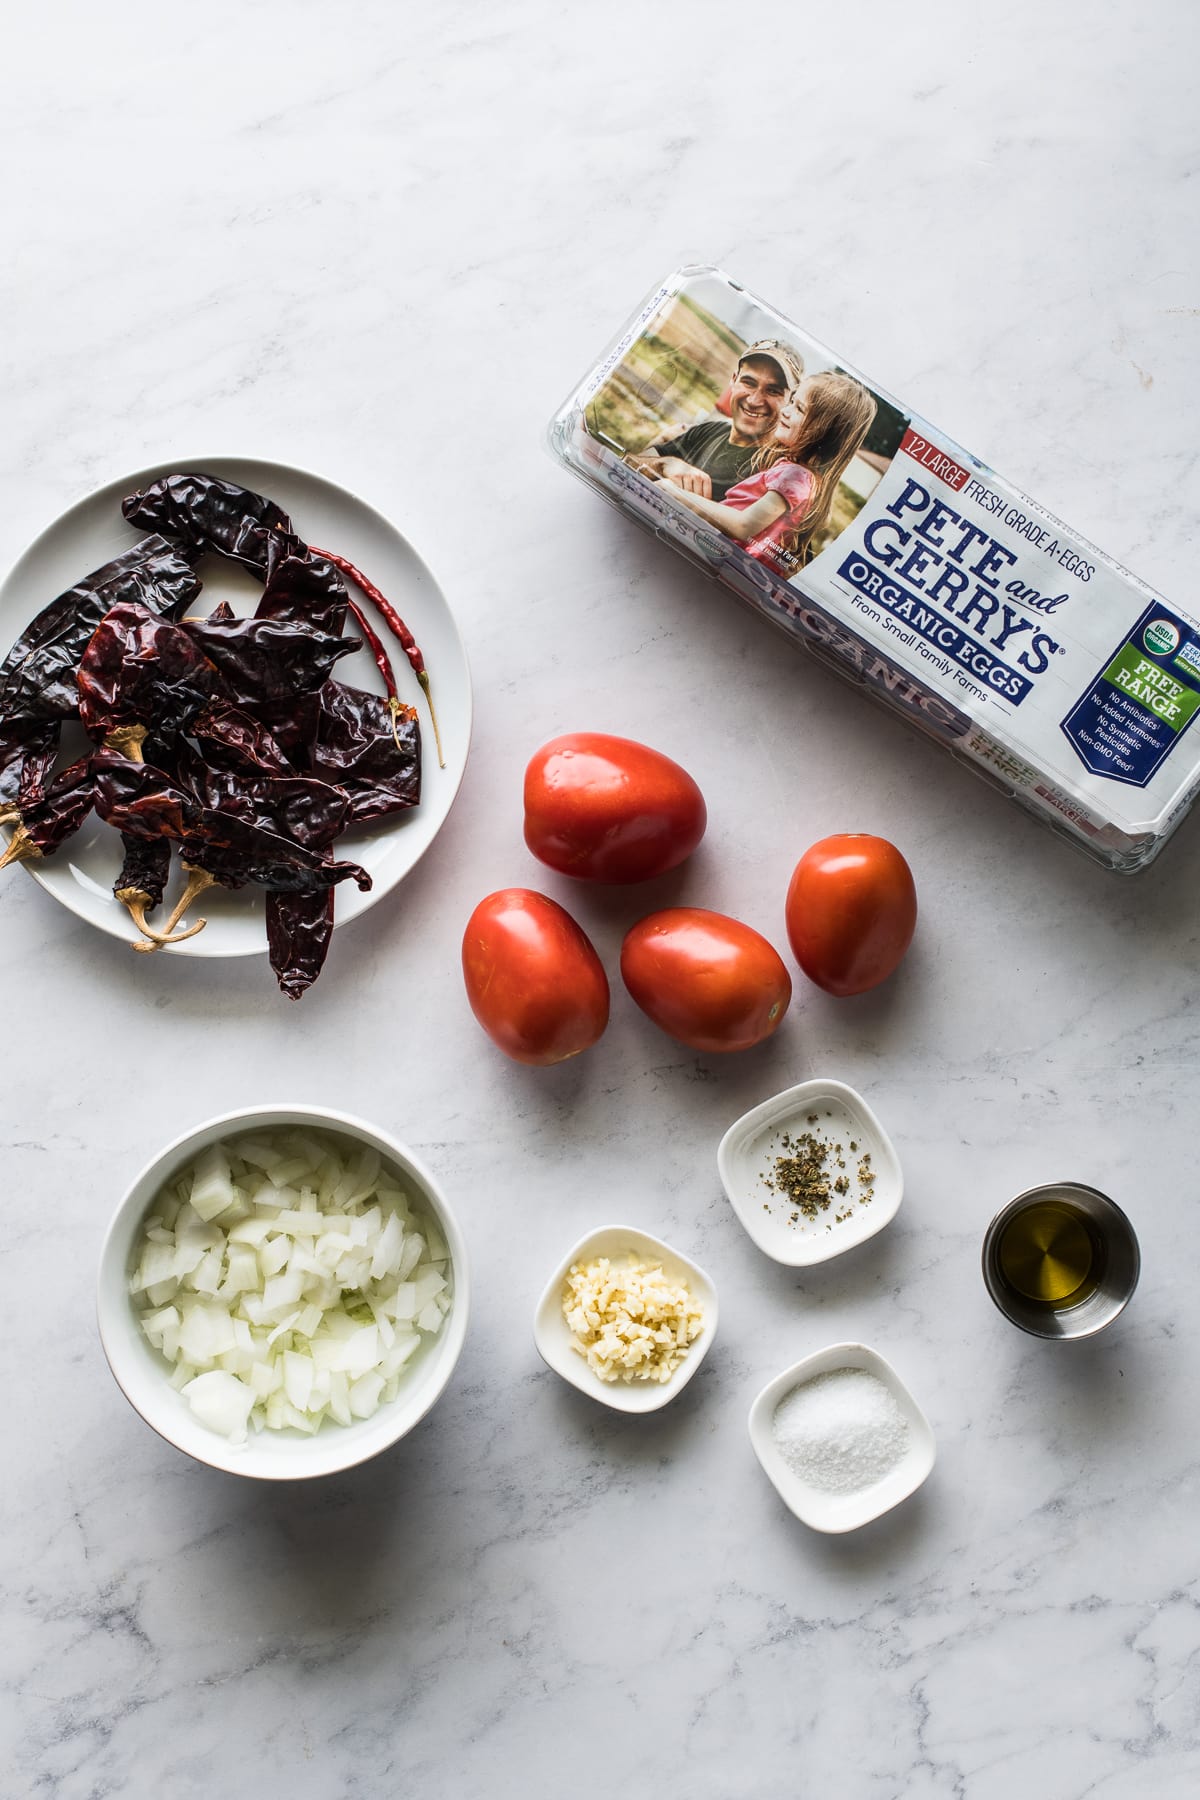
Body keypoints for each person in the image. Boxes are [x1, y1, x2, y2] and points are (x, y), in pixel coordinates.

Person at [658, 371, 877, 574]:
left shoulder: (795, 476)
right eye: (792, 402)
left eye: (799, 409)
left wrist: (677, 494)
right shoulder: (802, 477)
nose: (785, 411)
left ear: (825, 434)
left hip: (723, 562)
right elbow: (823, 520)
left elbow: (743, 526)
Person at [630, 339, 806, 501]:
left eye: (773, 391)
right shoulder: (710, 431)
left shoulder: (776, 473)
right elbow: (629, 465)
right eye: (749, 383)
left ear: (791, 400)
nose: (754, 401)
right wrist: (662, 465)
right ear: (733, 380)